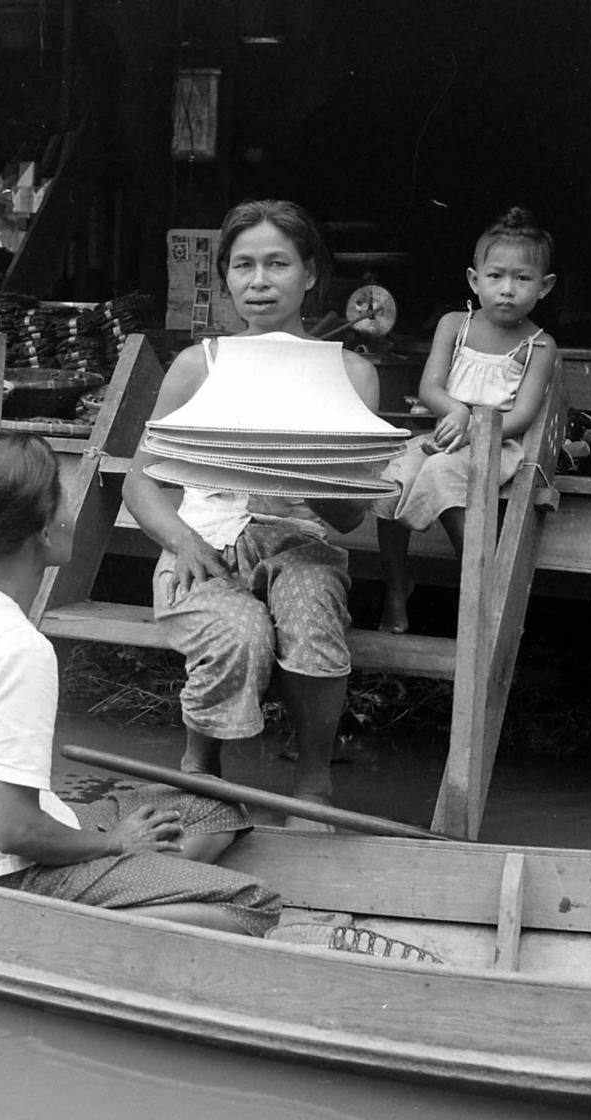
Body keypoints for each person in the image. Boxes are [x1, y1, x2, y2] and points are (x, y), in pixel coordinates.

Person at [0, 430, 280, 936]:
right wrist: (115, 845)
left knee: (214, 809)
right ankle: (55, 921)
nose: (71, 509)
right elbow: (15, 831)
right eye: (62, 497)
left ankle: (124, 886)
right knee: (252, 905)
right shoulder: (20, 650)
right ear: (44, 531)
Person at [122, 199, 379, 825]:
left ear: (311, 274)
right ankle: (199, 771)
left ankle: (312, 787)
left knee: (313, 611)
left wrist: (300, 476)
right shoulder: (197, 366)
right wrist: (183, 543)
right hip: (204, 546)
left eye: (277, 264)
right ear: (226, 277)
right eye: (243, 265)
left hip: (300, 546)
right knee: (240, 631)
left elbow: (350, 520)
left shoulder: (349, 373)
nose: (258, 281)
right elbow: (139, 482)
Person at [373, 207, 558, 633]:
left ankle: (479, 583)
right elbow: (430, 388)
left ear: (544, 286)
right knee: (392, 477)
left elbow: (523, 415)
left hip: (499, 445)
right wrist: (455, 411)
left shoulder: (539, 346)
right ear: (475, 280)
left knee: (441, 471)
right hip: (446, 431)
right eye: (495, 277)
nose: (507, 290)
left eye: (522, 279)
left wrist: (475, 428)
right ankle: (397, 584)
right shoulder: (455, 325)